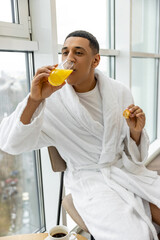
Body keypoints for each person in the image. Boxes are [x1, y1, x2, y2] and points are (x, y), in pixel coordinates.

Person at [0, 30, 160, 240]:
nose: (69, 59)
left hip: (125, 171)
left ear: (95, 61)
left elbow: (132, 153)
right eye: (65, 52)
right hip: (91, 181)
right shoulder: (51, 101)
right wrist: (34, 99)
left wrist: (135, 131)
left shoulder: (119, 91)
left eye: (78, 52)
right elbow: (10, 142)